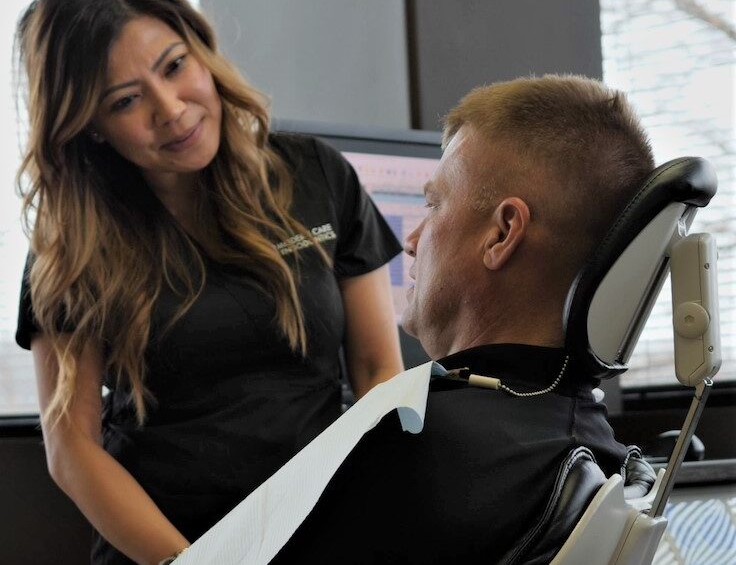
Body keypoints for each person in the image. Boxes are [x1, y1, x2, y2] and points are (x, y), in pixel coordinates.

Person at [14, 0, 404, 565]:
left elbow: (381, 370)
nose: (170, 108)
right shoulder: (73, 244)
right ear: (90, 127)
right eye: (125, 101)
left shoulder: (315, 176)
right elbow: (72, 450)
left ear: (201, 51)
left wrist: (374, 520)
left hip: (325, 531)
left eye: (175, 67)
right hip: (168, 550)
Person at [272, 75, 656, 564]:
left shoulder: (415, 449)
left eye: (433, 204)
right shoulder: (595, 444)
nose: (411, 240)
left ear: (501, 233)